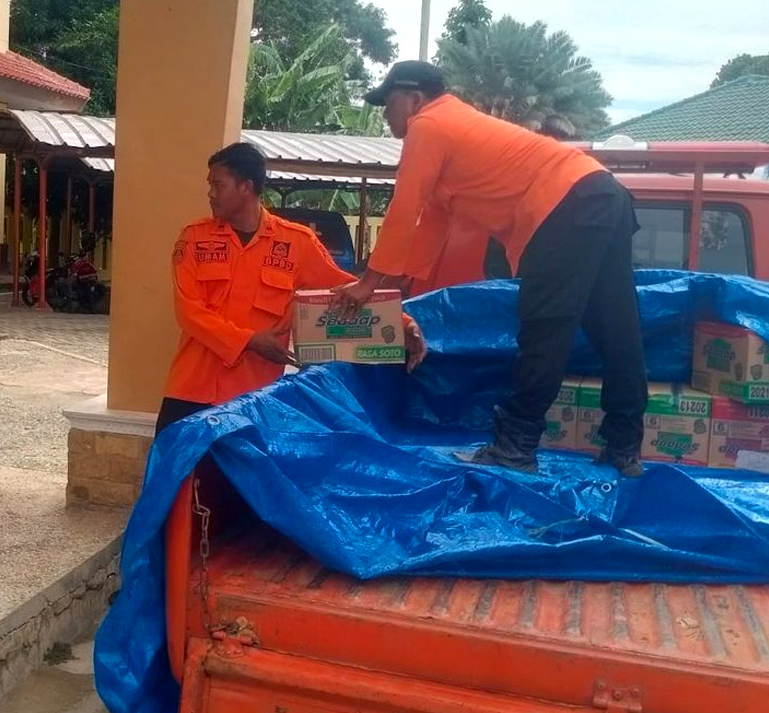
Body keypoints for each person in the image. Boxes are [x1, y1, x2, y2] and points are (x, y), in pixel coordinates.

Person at [334, 61, 647, 477]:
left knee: (545, 329)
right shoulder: (456, 129)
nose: (385, 114)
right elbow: (429, 224)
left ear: (414, 99)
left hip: (562, 206)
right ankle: (624, 447)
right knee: (615, 325)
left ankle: (515, 446)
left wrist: (368, 284)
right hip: (603, 192)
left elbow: (403, 207)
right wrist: (399, 292)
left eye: (387, 103)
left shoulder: (428, 125)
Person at [156, 142, 428, 435]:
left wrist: (403, 325)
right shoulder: (195, 239)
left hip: (254, 395)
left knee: (240, 480)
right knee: (175, 475)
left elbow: (347, 288)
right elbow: (189, 312)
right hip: (190, 389)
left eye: (217, 185)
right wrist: (249, 340)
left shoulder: (296, 243)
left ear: (246, 187)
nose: (210, 193)